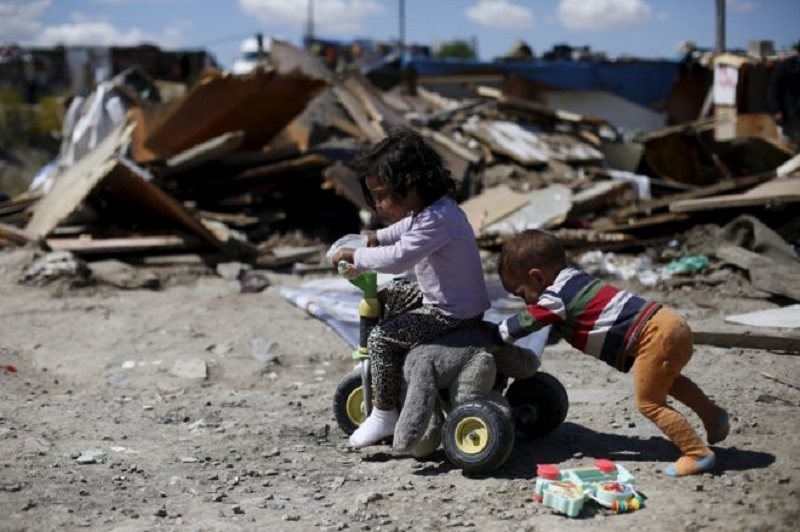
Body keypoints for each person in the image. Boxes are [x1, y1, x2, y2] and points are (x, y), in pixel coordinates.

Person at [488, 229, 730, 477]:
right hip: (671, 325)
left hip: (653, 337)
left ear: (537, 277)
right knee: (670, 381)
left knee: (650, 403)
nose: (526, 302)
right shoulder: (574, 279)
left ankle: (697, 453)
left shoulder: (554, 299)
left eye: (521, 293)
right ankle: (714, 416)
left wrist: (493, 335)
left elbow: (528, 320)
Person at [330, 128, 491, 449]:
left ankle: (383, 412)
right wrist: (376, 236)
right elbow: (400, 232)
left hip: (451, 313)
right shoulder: (436, 210)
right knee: (393, 294)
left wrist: (358, 255)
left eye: (382, 195)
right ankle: (393, 381)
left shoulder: (436, 220)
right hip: (451, 300)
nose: (377, 204)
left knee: (382, 338)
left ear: (412, 185)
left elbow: (398, 258)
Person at [768, 42, 800, 145]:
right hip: (790, 113)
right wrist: (776, 109)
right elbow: (773, 88)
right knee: (790, 145)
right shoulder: (786, 66)